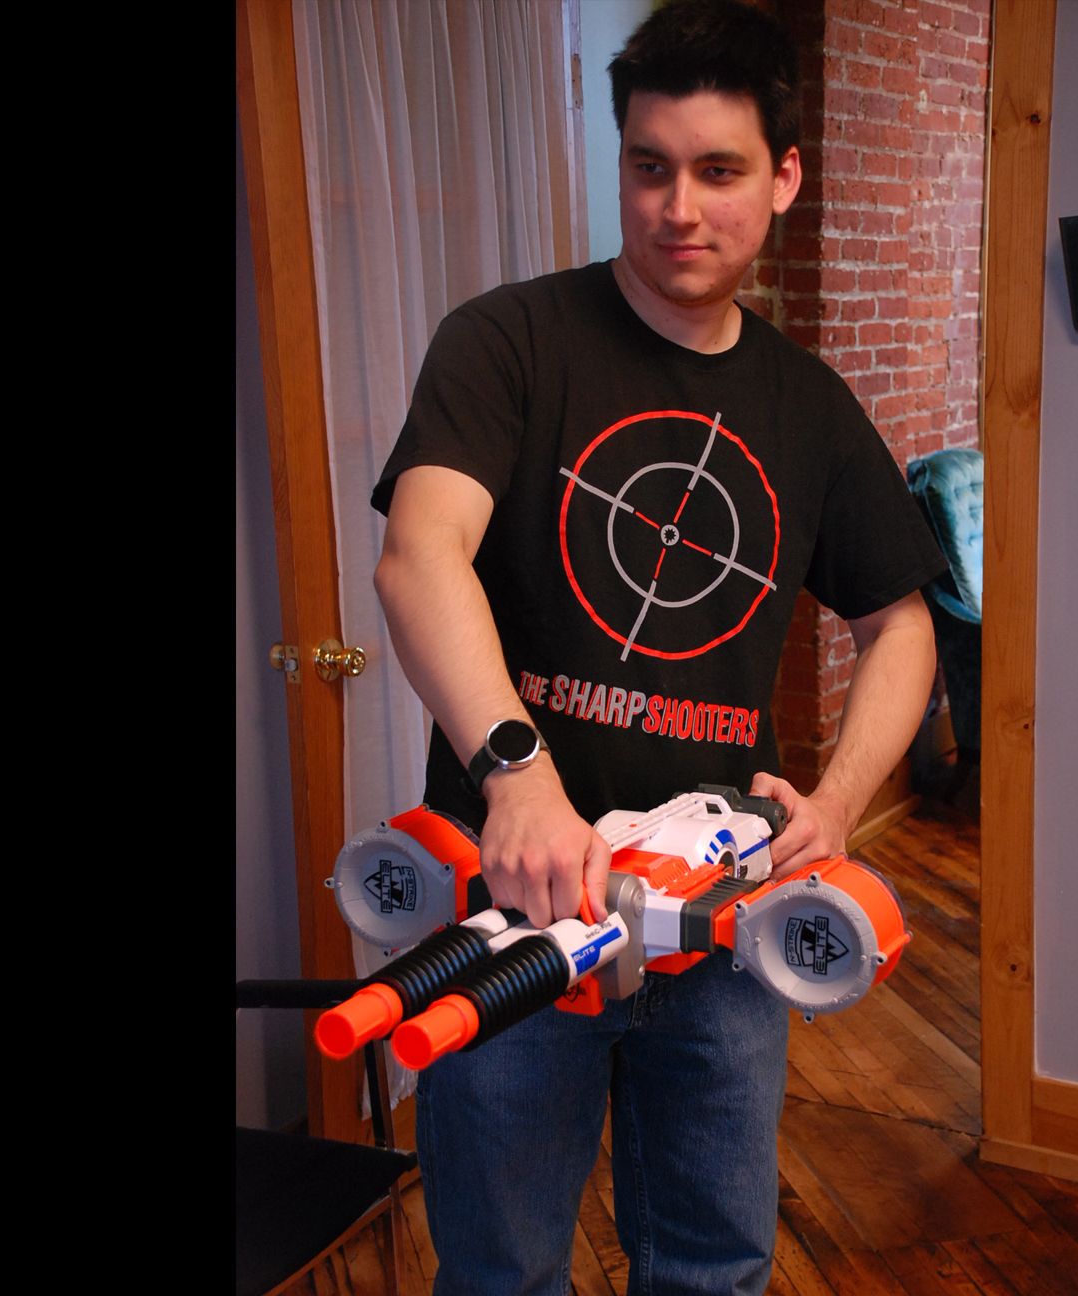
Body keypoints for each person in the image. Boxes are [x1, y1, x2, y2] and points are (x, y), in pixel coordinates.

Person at [370, 3, 945, 1292]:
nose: (678, 208)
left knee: (712, 1265)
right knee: (501, 1270)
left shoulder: (808, 406)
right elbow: (420, 553)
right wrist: (518, 778)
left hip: (723, 927)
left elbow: (900, 623)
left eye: (718, 170)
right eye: (650, 167)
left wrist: (838, 807)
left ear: (784, 178)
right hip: (517, 909)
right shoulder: (509, 339)